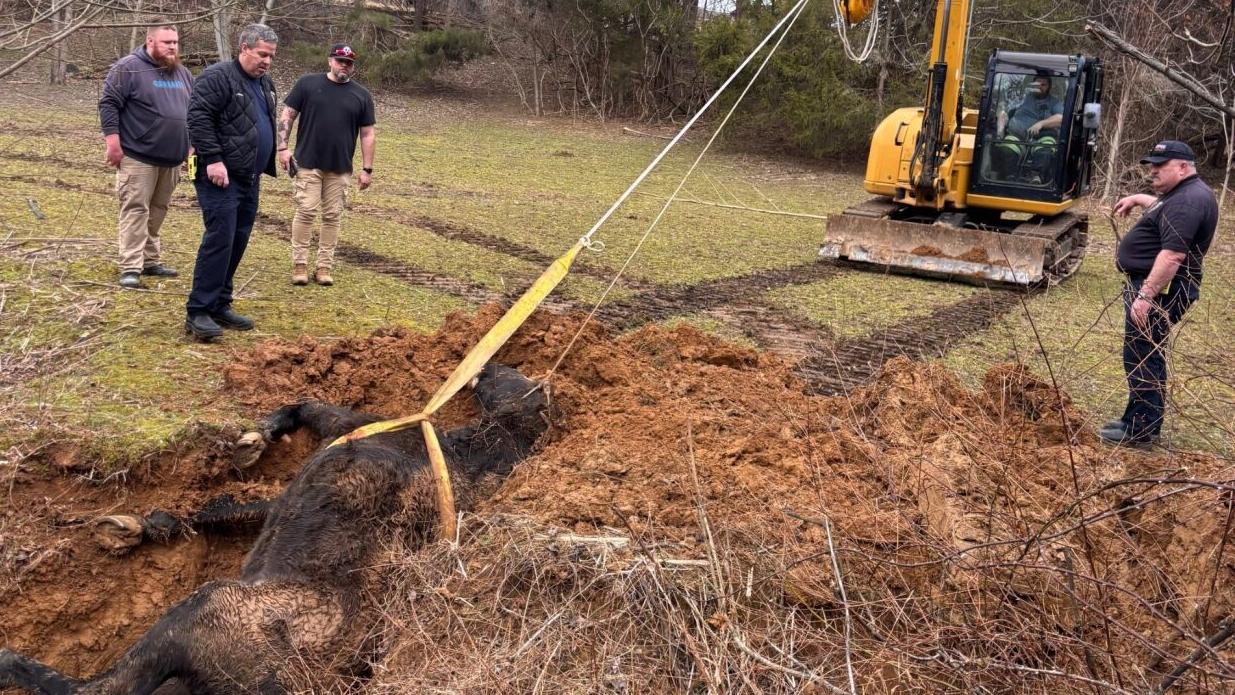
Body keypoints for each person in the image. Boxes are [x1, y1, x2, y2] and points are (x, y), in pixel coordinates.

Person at [1100, 140, 1218, 448]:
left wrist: (1146, 295)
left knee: (1143, 355)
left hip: (1163, 290)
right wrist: (1139, 198)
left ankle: (1140, 429)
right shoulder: (1185, 194)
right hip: (1160, 288)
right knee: (1143, 352)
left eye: (1159, 166)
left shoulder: (1186, 202)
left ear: (1182, 167)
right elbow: (1163, 211)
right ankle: (1137, 418)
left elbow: (1172, 256)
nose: (1152, 170)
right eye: (1151, 164)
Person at [184, 24, 279, 341]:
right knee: (220, 237)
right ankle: (199, 311)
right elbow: (198, 118)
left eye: (271, 56)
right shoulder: (218, 77)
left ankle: (220, 303)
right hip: (219, 175)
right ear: (244, 48)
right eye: (262, 54)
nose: (266, 61)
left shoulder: (266, 84)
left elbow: (263, 123)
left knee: (238, 238)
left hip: (248, 177)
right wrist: (213, 159)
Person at [98, 21, 192, 289]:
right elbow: (109, 104)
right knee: (136, 209)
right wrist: (113, 143)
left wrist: (191, 147)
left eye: (175, 42)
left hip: (172, 158)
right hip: (138, 155)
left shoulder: (182, 73)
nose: (173, 47)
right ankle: (130, 266)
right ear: (150, 41)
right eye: (167, 42)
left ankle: (150, 261)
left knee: (158, 210)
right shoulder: (128, 68)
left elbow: (192, 112)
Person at [278, 43, 376, 287]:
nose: (344, 65)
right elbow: (287, 115)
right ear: (329, 61)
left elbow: (367, 134)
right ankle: (300, 264)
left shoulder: (362, 95)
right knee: (306, 210)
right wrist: (282, 148)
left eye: (349, 62)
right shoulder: (307, 84)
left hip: (340, 166)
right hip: (308, 162)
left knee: (332, 216)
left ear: (353, 67)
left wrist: (367, 169)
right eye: (340, 60)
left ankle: (324, 266)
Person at [992, 75, 1063, 183]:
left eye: (1043, 85)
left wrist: (1041, 124)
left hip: (1042, 137)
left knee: (1045, 150)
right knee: (1006, 149)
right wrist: (1000, 127)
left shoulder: (1054, 102)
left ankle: (1036, 177)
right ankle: (1009, 177)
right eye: (1037, 84)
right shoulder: (1021, 98)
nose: (1039, 87)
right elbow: (1005, 111)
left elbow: (1060, 118)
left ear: (1049, 87)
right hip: (1017, 136)